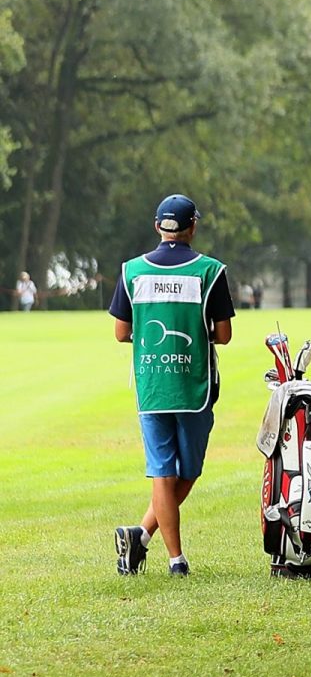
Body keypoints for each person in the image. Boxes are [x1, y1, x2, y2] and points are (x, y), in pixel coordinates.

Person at [107, 194, 235, 577]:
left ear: (157, 227)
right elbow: (224, 335)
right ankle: (171, 557)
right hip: (193, 383)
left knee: (162, 471)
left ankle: (144, 541)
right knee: (188, 470)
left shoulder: (132, 271)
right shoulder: (210, 271)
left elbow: (120, 333)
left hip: (151, 385)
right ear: (193, 226)